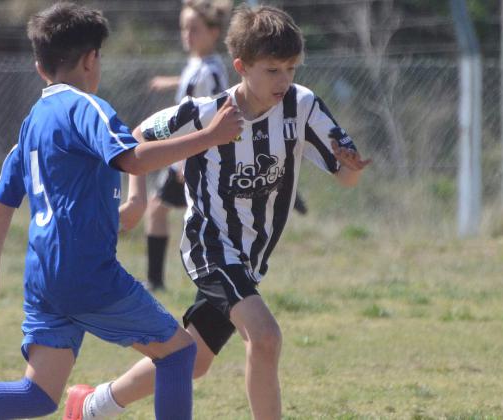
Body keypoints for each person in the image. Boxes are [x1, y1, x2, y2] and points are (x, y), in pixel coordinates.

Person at [0, 3, 243, 420]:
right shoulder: (86, 107)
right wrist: (210, 136)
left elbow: (5, 198)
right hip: (85, 272)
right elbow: (133, 159)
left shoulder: (33, 121)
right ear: (91, 60)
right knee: (179, 355)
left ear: (39, 66)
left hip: (43, 276)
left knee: (37, 394)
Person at [63, 4, 370, 420]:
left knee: (192, 358)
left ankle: (91, 405)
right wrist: (136, 198)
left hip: (250, 257)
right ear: (241, 66)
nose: (284, 80)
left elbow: (346, 177)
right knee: (265, 337)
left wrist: (348, 167)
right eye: (273, 69)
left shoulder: (303, 106)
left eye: (291, 69)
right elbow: (135, 137)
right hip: (209, 245)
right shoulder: (205, 113)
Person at [144, 0, 231, 292]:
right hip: (185, 151)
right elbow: (191, 83)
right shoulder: (199, 63)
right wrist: (170, 82)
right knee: (171, 213)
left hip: (191, 153)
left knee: (162, 211)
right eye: (184, 27)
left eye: (194, 28)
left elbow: (219, 109)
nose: (187, 34)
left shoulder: (211, 71)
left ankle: (161, 282)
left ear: (214, 32)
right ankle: (169, 280)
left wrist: (187, 157)